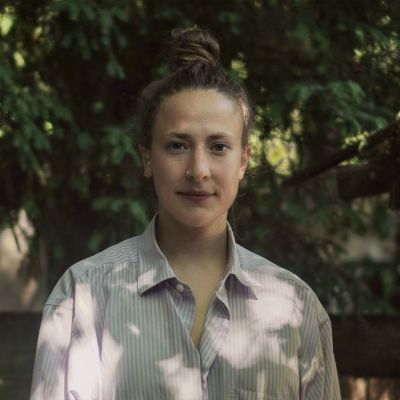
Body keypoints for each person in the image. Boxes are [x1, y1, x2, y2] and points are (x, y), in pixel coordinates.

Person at [30, 27, 341, 400]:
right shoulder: (84, 296)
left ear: (244, 161)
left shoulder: (296, 308)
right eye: (177, 145)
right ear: (147, 158)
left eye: (219, 146)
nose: (198, 170)